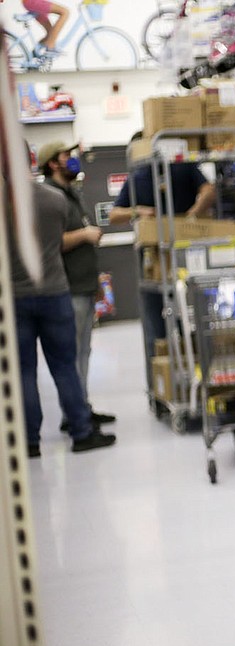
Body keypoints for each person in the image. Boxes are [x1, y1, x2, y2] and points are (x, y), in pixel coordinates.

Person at [7, 145, 116, 458]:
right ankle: (81, 432)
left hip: (16, 296)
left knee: (25, 371)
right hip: (54, 291)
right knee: (65, 366)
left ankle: (29, 441)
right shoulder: (54, 200)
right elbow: (57, 242)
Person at [108, 131, 216, 355]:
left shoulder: (180, 167)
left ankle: (175, 363)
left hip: (184, 253)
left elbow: (208, 191)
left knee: (186, 315)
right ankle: (167, 366)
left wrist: (188, 219)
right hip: (154, 257)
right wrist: (138, 211)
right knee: (159, 319)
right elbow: (114, 214)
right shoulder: (137, 177)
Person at [36, 141, 117, 431]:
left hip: (83, 285)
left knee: (83, 352)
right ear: (52, 163)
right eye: (65, 156)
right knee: (71, 355)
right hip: (66, 288)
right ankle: (74, 415)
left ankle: (81, 407)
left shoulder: (71, 194)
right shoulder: (49, 197)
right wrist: (84, 235)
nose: (72, 160)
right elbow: (53, 243)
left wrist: (95, 282)